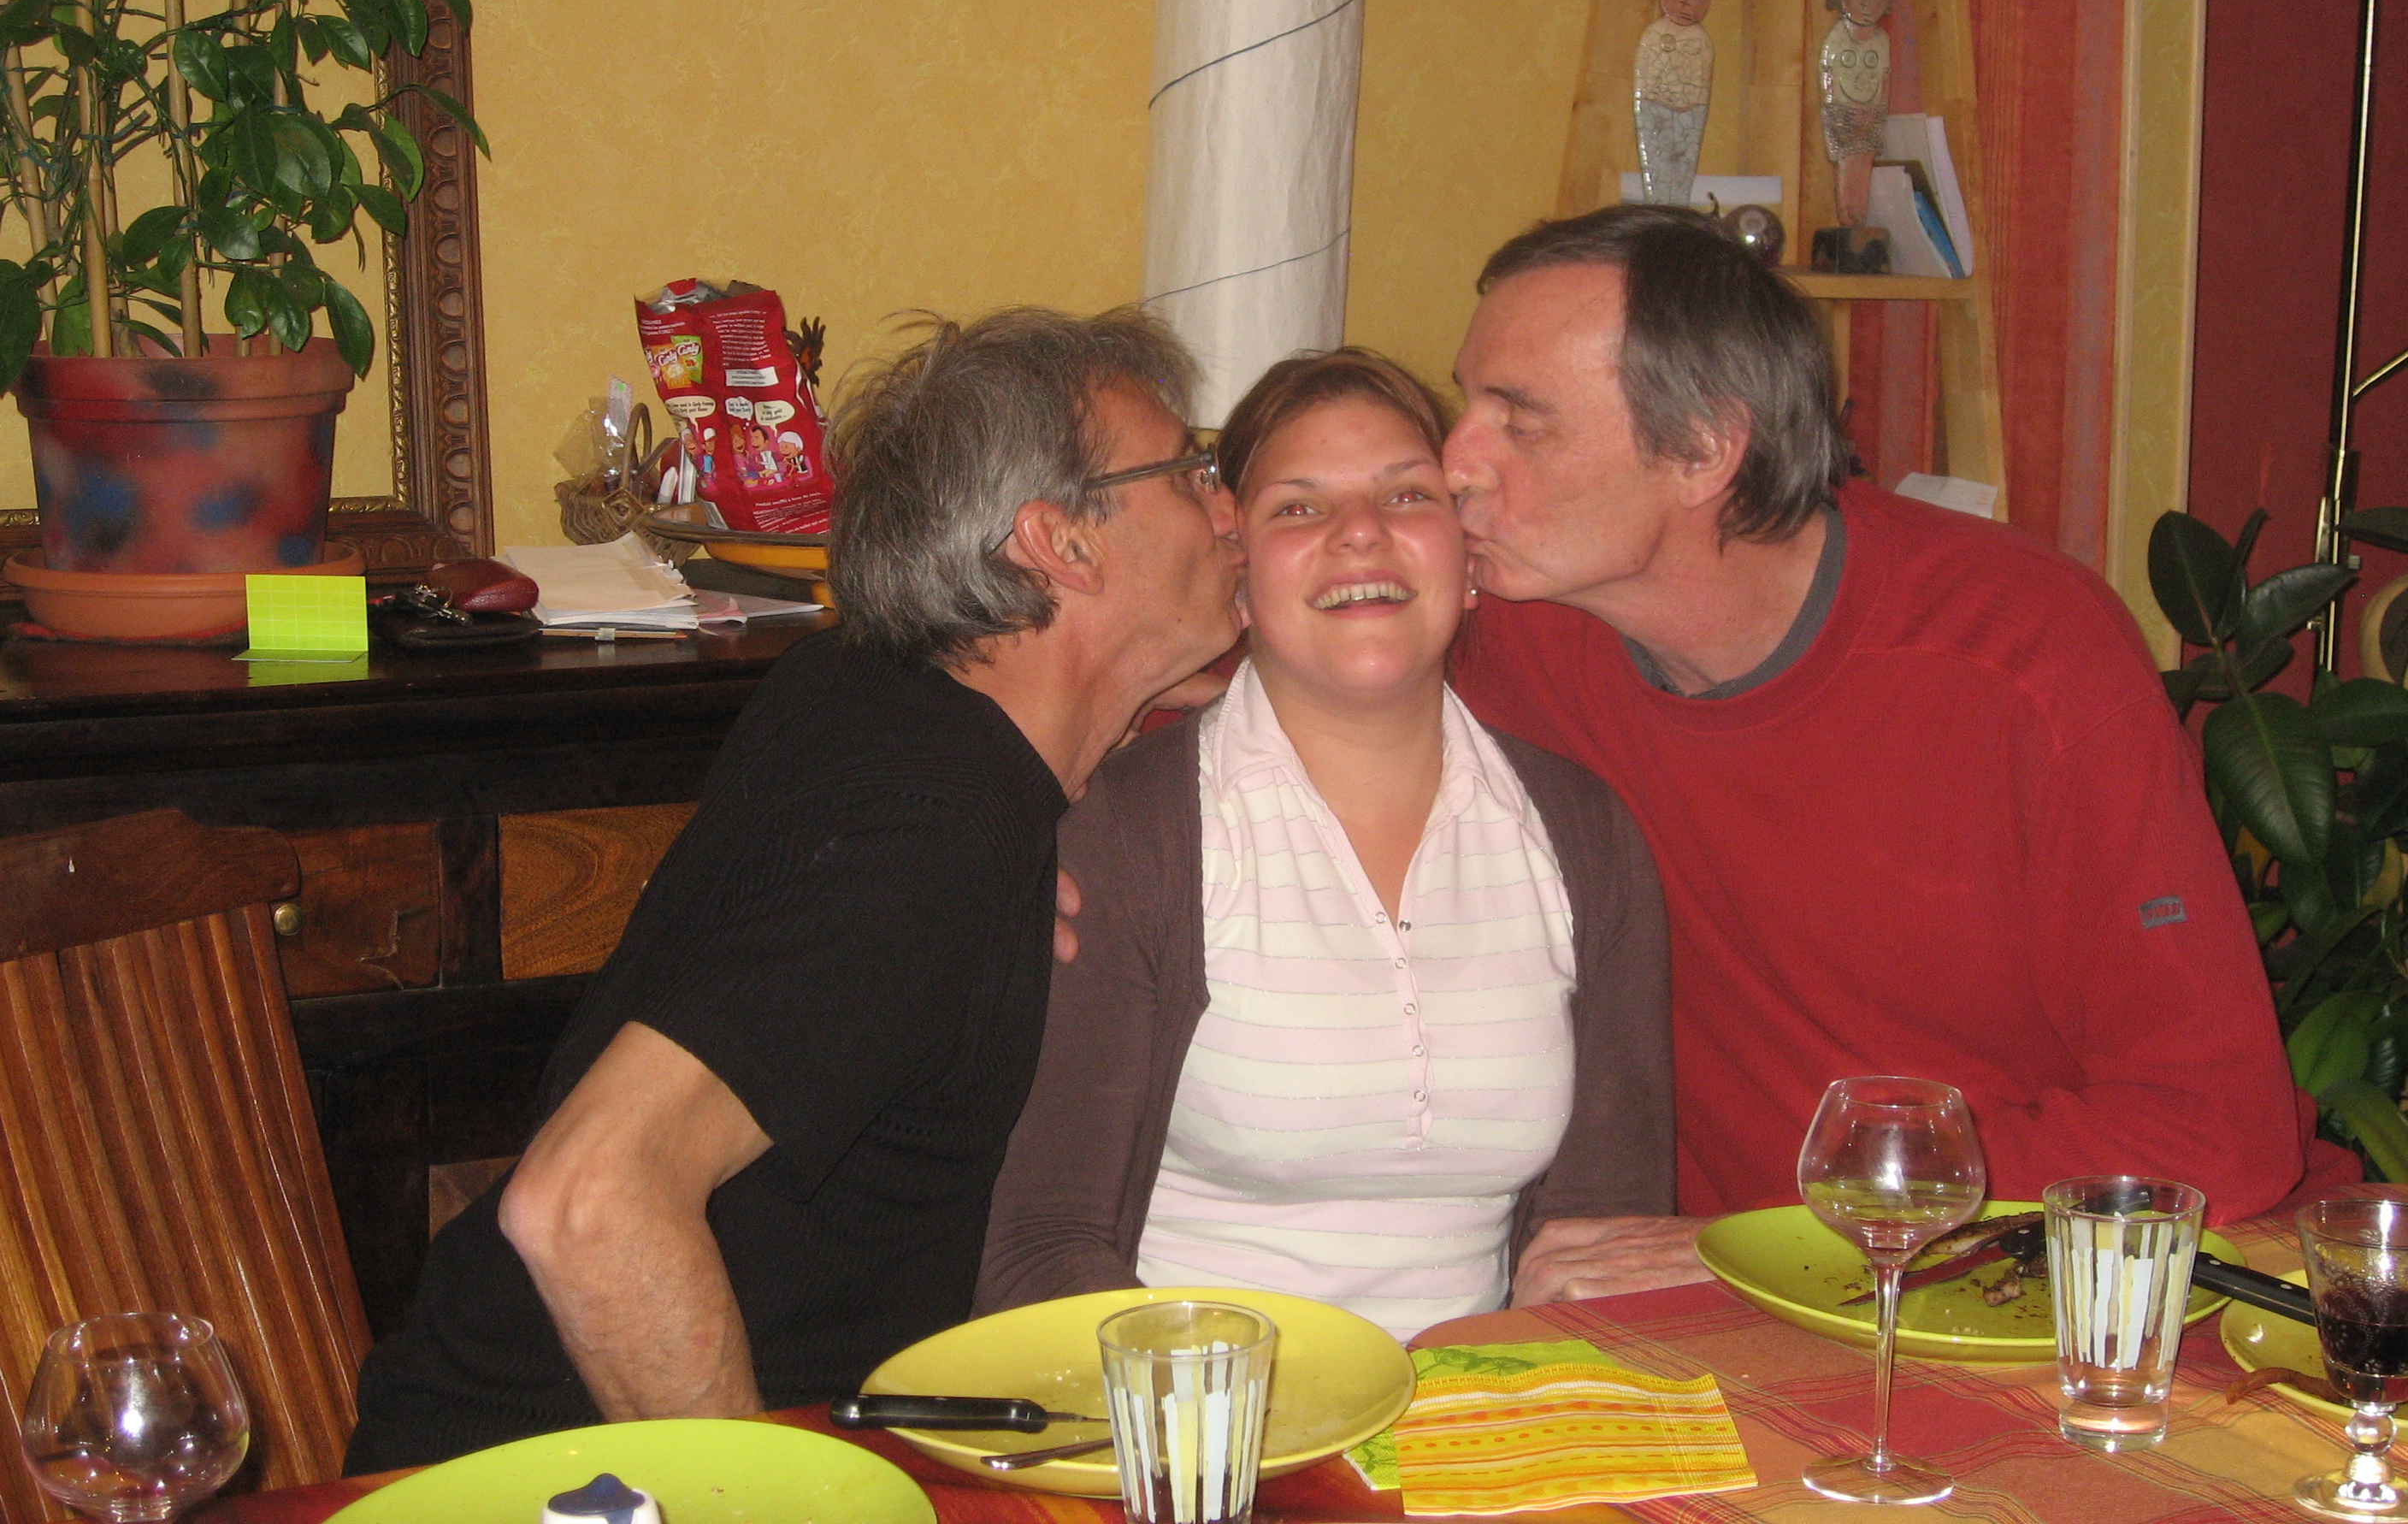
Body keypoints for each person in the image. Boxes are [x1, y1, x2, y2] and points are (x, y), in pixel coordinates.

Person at [345, 307, 1242, 1473]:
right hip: (564, 1473)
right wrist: (755, 1500)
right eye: (1191, 474)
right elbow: (586, 1201)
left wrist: (1074, 773)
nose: (1229, 510)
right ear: (1059, 543)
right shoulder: (933, 832)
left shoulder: (867, 686)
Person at [1440, 204, 2322, 1297]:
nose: (1455, 463)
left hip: (2057, 1288)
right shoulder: (1510, 630)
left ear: (1705, 448)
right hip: (1757, 1302)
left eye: (1519, 424)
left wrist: (1792, 1236)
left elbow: (2214, 1129)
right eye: (1462, 404)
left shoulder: (2022, 654)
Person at [978, 348, 1673, 1342]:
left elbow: (1608, 1238)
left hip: (1485, 1409)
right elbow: (1037, 1249)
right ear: (1238, 573)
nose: (1359, 533)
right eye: (1298, 508)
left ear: (1468, 562)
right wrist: (1253, 1414)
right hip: (1193, 1411)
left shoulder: (1581, 833)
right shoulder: (1130, 835)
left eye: (1406, 495)